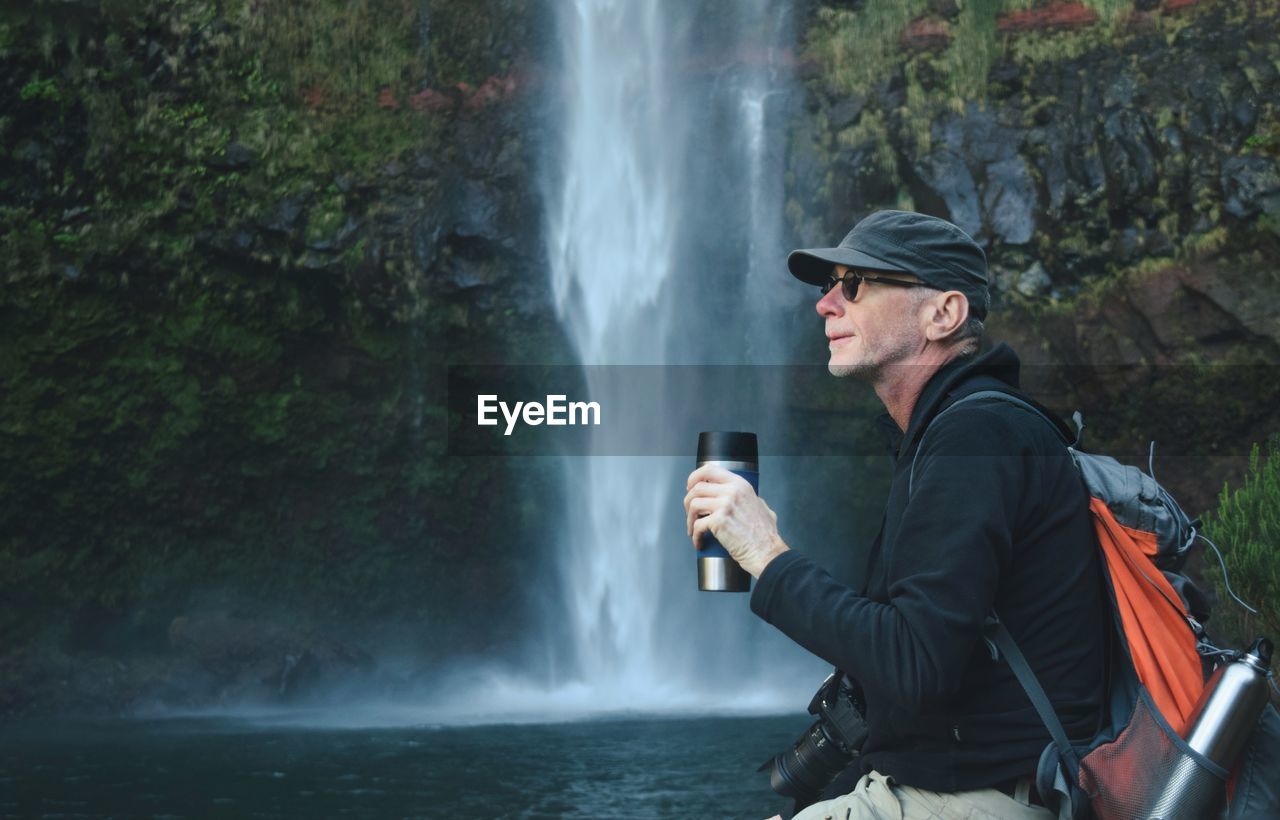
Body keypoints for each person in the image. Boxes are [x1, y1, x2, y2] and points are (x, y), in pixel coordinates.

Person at [683, 211, 1106, 820]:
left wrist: (766, 554)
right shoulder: (955, 432)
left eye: (854, 284)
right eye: (829, 285)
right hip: (948, 787)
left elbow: (915, 664)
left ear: (944, 313)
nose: (826, 304)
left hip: (984, 799)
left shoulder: (975, 436)